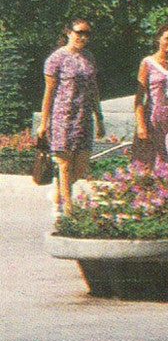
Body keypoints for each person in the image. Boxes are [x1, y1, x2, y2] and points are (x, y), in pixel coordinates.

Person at [38, 18, 104, 217]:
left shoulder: (89, 57)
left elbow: (94, 90)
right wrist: (44, 122)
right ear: (68, 32)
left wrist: (99, 118)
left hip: (84, 118)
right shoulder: (56, 59)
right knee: (64, 164)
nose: (83, 37)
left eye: (87, 33)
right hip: (62, 118)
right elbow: (48, 93)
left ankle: (58, 189)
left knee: (82, 166)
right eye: (79, 32)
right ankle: (68, 211)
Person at [134, 23, 168, 173]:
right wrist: (141, 124)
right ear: (158, 39)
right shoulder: (147, 63)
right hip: (152, 117)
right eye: (167, 38)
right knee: (148, 166)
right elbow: (139, 98)